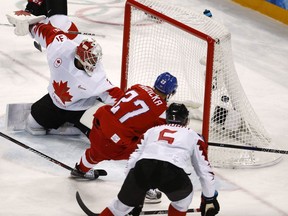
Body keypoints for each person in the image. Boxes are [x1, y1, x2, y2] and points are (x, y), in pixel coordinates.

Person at [6, 0, 123, 137]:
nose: (94, 64)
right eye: (90, 61)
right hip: (55, 103)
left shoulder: (97, 76)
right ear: (80, 57)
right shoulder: (60, 48)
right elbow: (46, 32)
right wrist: (29, 24)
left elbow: (116, 96)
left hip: (82, 108)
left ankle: (75, 123)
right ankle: (64, 123)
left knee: (102, 138)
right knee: (33, 125)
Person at [71, 72, 177, 202]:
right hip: (113, 143)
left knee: (96, 152)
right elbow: (156, 133)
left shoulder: (138, 87)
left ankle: (80, 169)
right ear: (171, 92)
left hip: (99, 124)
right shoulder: (162, 112)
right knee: (147, 151)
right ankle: (144, 187)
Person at [98, 103, 220, 216]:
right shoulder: (194, 136)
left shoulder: (151, 131)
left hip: (143, 168)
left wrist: (135, 195)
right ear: (186, 120)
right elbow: (204, 170)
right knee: (182, 201)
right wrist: (209, 198)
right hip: (172, 173)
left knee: (119, 206)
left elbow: (133, 160)